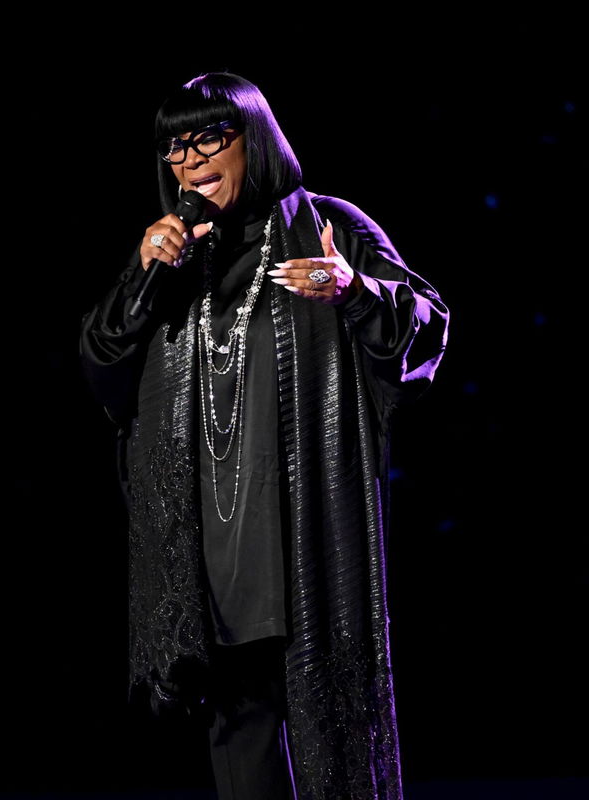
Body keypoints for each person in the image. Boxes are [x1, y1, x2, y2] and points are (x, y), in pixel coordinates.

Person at [78, 72, 448, 800]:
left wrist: (354, 290)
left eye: (211, 134)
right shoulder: (173, 254)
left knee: (331, 743)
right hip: (209, 560)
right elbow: (102, 366)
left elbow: (427, 328)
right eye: (174, 145)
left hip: (304, 542)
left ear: (257, 138)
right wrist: (143, 276)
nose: (190, 157)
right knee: (241, 761)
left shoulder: (327, 222)